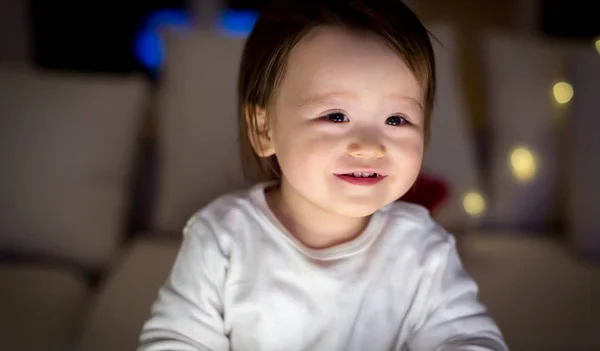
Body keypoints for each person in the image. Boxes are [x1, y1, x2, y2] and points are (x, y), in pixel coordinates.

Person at [138, 0, 508, 350]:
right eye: (335, 116)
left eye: (397, 119)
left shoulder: (423, 250)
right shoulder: (222, 240)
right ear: (264, 130)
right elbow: (176, 339)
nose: (369, 145)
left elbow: (468, 337)